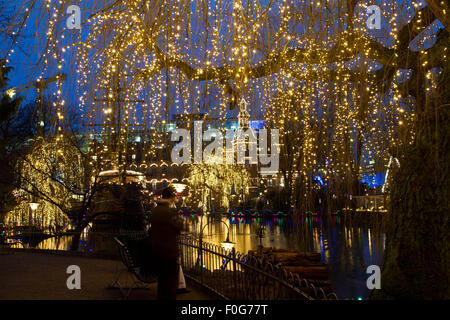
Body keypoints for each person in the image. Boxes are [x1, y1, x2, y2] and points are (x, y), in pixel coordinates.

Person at [150, 186, 183, 300]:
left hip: (157, 251)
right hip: (169, 252)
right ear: (171, 198)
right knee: (171, 281)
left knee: (162, 281)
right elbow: (180, 226)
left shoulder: (155, 210)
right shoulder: (171, 211)